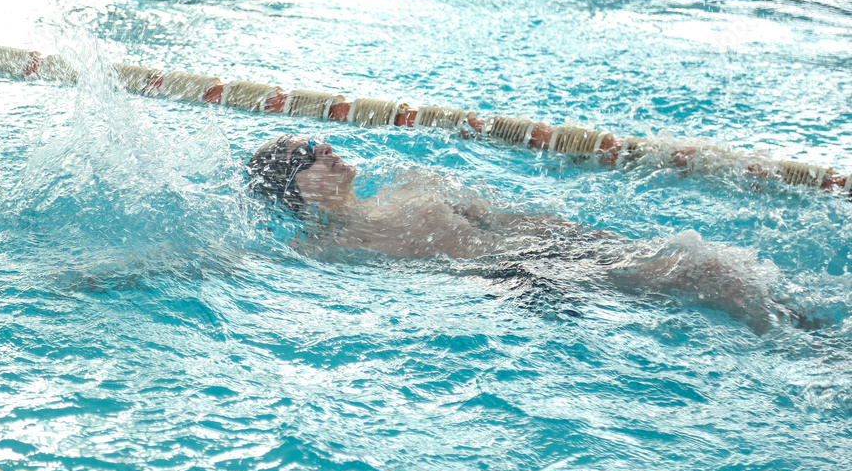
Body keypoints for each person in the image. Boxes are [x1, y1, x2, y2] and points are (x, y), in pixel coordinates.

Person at [246, 134, 810, 332]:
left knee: (709, 268)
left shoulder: (415, 185)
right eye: (305, 154)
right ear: (297, 190)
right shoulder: (324, 249)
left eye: (314, 140)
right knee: (710, 273)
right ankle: (811, 351)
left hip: (556, 254)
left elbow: (518, 221)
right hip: (521, 280)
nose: (323, 147)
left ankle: (805, 336)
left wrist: (602, 245)